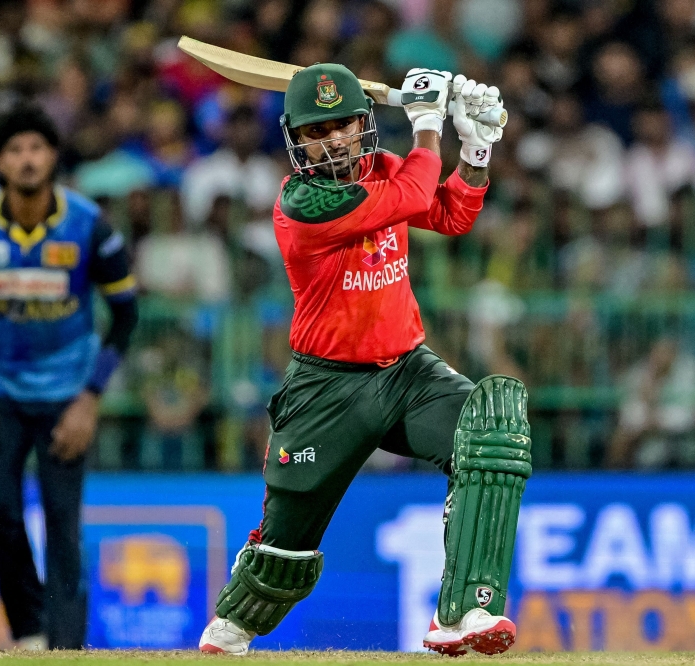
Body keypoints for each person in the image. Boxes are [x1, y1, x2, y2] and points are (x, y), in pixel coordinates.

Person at [197, 65, 531, 656]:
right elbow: (414, 195)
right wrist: (427, 124)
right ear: (296, 141)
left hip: (407, 371)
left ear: (363, 124)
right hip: (326, 386)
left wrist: (476, 149)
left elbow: (450, 214)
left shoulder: (385, 169)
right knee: (284, 549)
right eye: (316, 131)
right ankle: (233, 623)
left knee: (491, 428)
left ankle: (465, 613)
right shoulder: (302, 203)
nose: (332, 140)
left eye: (343, 125)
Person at [0, 104, 139, 650]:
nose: (27, 159)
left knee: (62, 527)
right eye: (14, 150)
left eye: (36, 148)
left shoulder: (89, 225)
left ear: (52, 156)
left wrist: (90, 399)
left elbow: (126, 314)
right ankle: (30, 633)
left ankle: (66, 652)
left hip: (67, 397)